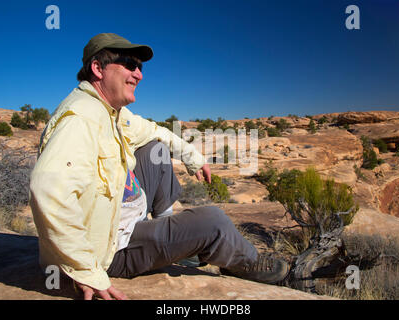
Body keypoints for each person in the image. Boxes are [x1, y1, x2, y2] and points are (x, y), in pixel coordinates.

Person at [29, 33, 291, 300]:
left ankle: (177, 245)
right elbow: (49, 190)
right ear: (98, 69)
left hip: (120, 217)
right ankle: (245, 262)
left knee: (156, 148)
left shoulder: (108, 111)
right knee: (215, 221)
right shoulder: (81, 118)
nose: (139, 75)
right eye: (130, 65)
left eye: (140, 67)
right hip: (109, 251)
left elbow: (154, 131)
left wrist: (192, 157)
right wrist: (85, 270)